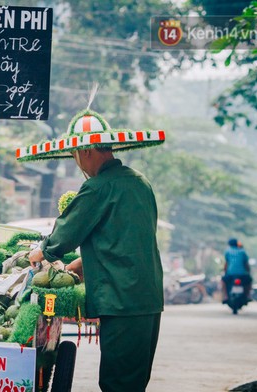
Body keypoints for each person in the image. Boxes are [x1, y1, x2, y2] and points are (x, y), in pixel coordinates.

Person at [24, 109, 165, 392]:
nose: (77, 161)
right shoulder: (139, 182)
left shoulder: (99, 187)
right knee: (133, 380)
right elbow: (122, 243)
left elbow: (64, 236)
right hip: (146, 298)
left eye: (76, 153)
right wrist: (78, 265)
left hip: (122, 300)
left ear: (86, 151)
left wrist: (40, 253)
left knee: (117, 383)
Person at [221, 237, 251, 302]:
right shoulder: (242, 251)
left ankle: (225, 296)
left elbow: (226, 264)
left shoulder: (227, 251)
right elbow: (246, 264)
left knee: (223, 281)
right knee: (249, 280)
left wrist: (224, 271)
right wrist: (248, 272)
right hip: (242, 274)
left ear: (229, 244)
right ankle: (248, 295)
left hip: (231, 274)